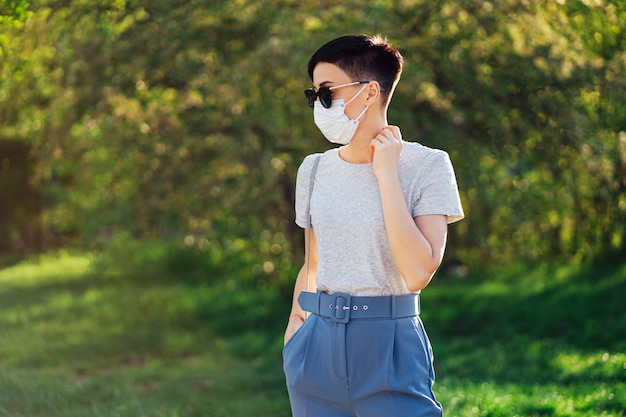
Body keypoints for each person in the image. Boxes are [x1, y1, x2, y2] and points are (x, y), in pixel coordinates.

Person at [283, 34, 465, 417]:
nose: (319, 103)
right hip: (315, 346)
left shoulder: (428, 165)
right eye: (313, 94)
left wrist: (386, 175)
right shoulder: (313, 169)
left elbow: (417, 272)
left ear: (368, 93)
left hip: (390, 345)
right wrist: (295, 329)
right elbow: (313, 263)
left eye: (327, 91)